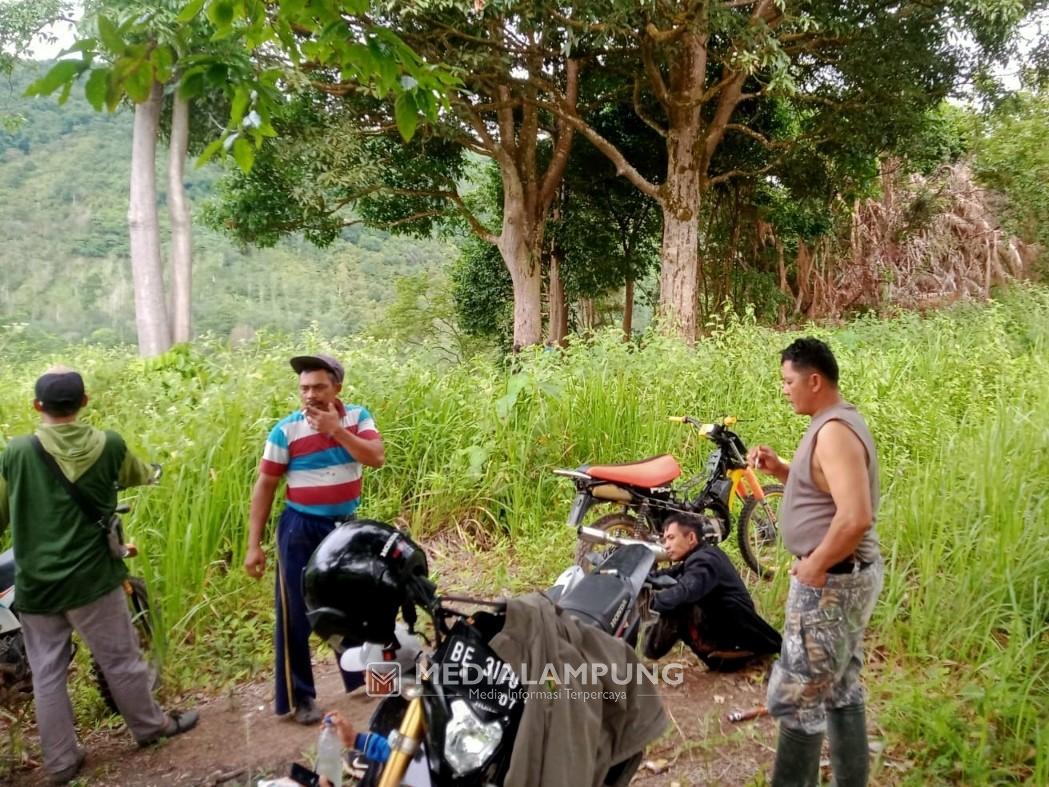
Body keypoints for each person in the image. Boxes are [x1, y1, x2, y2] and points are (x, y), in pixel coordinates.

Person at [0, 367, 198, 785]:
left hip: (36, 584)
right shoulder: (108, 444)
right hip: (93, 580)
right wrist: (151, 472)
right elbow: (136, 473)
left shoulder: (16, 453)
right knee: (120, 660)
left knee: (48, 672)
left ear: (37, 406)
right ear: (84, 401)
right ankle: (149, 728)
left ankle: (60, 762)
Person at [747, 338, 883, 787]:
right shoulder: (831, 423)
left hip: (833, 581)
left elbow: (856, 516)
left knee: (798, 699)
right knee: (841, 688)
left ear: (814, 380)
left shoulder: (835, 432)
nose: (785, 389)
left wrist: (816, 565)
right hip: (843, 577)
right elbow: (827, 489)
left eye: (788, 381)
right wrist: (783, 469)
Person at [244, 354, 385, 724]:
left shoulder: (358, 418)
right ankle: (300, 697)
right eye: (304, 388)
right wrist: (253, 544)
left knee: (359, 604)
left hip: (345, 529)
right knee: (295, 614)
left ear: (337, 387)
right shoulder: (285, 431)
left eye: (319, 386)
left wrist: (336, 430)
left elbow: (376, 457)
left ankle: (365, 678)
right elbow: (265, 487)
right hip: (300, 530)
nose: (310, 394)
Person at [643, 513, 781, 671]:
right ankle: (644, 652)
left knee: (677, 604)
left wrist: (648, 603)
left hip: (734, 650)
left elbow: (685, 590)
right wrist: (638, 578)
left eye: (671, 538)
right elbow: (666, 574)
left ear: (691, 538)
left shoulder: (704, 560)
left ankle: (643, 653)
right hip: (723, 647)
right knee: (674, 598)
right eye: (665, 539)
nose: (666, 545)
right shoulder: (699, 557)